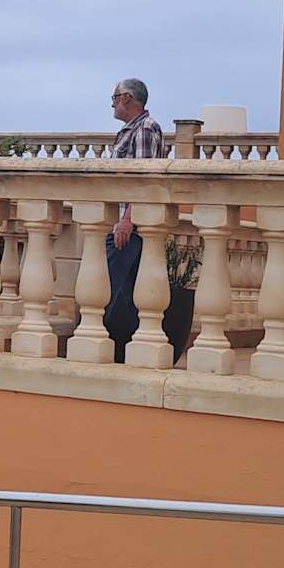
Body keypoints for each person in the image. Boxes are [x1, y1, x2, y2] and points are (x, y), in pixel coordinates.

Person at [102, 77, 167, 360]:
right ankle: (124, 351)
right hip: (126, 224)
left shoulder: (144, 129)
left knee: (112, 289)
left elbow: (143, 179)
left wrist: (128, 219)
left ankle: (111, 347)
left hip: (131, 228)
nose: (112, 104)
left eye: (114, 97)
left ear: (127, 98)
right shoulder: (133, 129)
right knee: (124, 293)